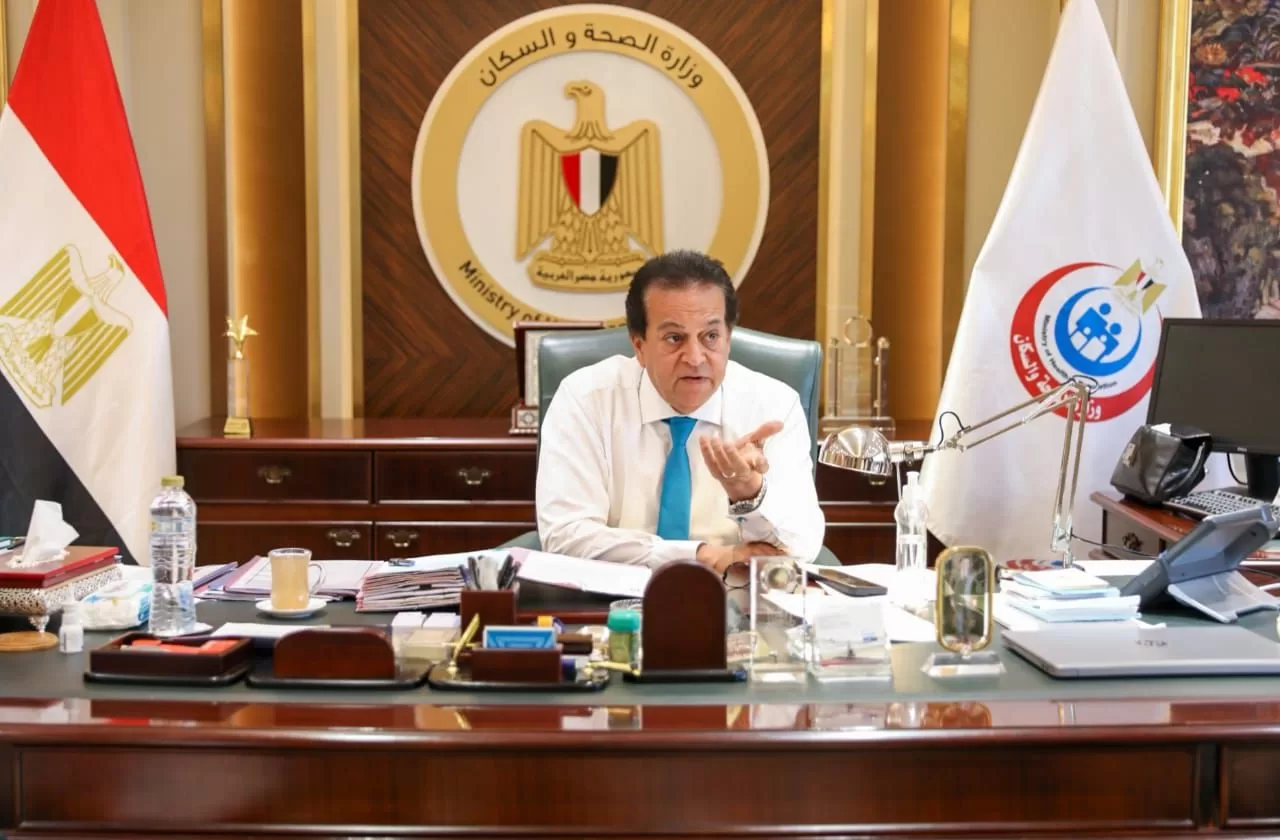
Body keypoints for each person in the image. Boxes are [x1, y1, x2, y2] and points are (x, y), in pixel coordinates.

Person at [536, 249, 825, 576]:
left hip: (735, 597)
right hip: (611, 597)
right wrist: (703, 556)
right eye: (674, 338)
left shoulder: (773, 407)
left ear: (728, 339)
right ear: (639, 346)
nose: (695, 358)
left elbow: (802, 547)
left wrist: (749, 493)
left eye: (711, 336)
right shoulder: (586, 399)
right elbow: (564, 535)